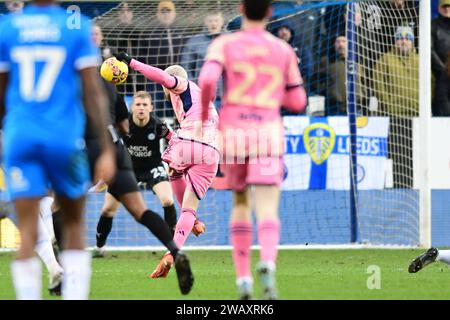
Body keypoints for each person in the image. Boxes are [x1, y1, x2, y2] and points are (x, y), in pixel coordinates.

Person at [0, 0, 116, 300]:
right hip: (64, 139)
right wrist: (106, 148)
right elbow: (92, 92)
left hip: (20, 137)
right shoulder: (76, 29)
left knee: (27, 231)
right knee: (75, 225)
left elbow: (1, 93)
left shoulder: (7, 28)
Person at [198, 0, 307, 299]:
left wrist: (206, 113)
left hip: (234, 131)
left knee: (241, 204)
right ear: (270, 12)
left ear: (240, 8)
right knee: (268, 207)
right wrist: (271, 96)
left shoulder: (224, 44)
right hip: (268, 132)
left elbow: (207, 79)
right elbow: (298, 102)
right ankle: (268, 263)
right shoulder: (282, 50)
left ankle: (243, 278)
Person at [113, 50, 219, 279]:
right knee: (190, 208)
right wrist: (171, 137)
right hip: (212, 153)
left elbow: (162, 77)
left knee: (173, 171)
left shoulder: (182, 85)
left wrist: (131, 62)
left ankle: (185, 231)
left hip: (189, 144)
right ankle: (173, 252)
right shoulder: (206, 101)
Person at [92, 91, 179, 257]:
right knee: (107, 210)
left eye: (145, 105)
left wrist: (172, 161)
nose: (141, 108)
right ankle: (99, 247)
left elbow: (175, 142)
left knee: (168, 200)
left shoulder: (159, 126)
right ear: (131, 107)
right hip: (127, 168)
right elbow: (109, 147)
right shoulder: (123, 125)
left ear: (151, 108)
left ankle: (172, 248)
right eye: (138, 105)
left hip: (153, 167)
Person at [373, 26, 418, 188]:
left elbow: (431, 82)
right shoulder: (385, 59)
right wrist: (389, 103)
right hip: (395, 115)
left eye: (408, 38)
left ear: (412, 42)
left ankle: (415, 184)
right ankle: (399, 186)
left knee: (416, 154)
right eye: (400, 38)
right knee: (397, 154)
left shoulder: (420, 59)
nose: (404, 41)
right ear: (395, 41)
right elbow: (378, 83)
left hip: (417, 115)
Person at [181, 11, 224, 107]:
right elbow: (186, 67)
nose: (213, 24)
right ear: (205, 22)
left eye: (216, 20)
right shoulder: (194, 42)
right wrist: (193, 88)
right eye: (210, 21)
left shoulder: (229, 40)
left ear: (222, 21)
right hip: (202, 95)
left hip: (225, 96)